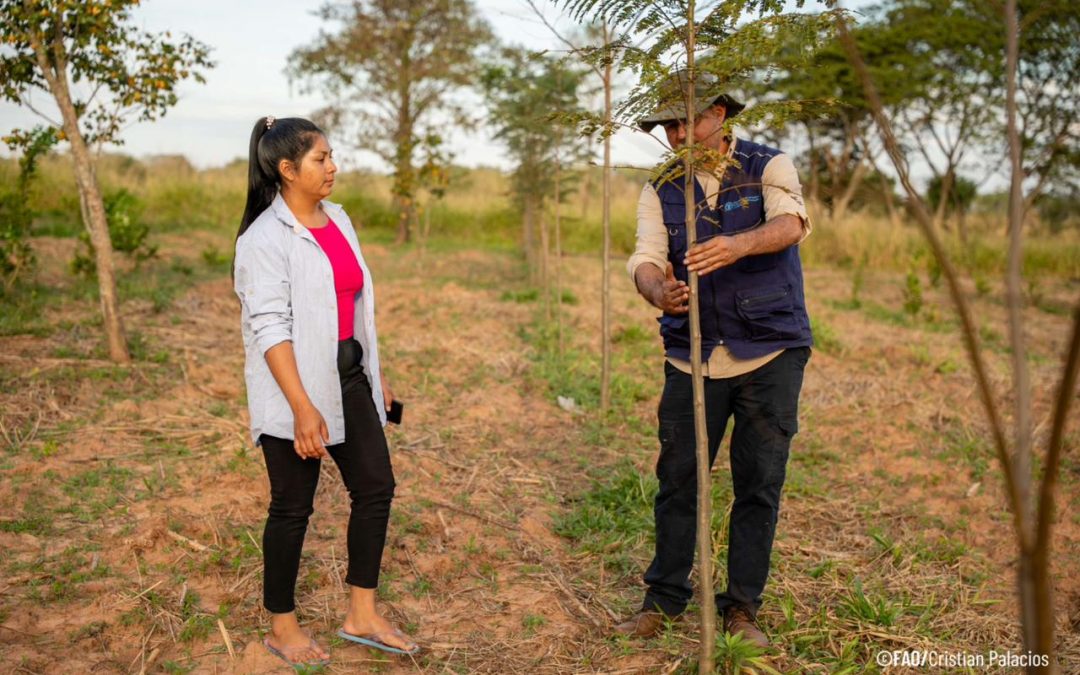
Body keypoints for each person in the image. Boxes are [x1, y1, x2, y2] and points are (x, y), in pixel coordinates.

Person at [615, 72, 813, 648]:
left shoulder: (768, 166)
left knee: (759, 482)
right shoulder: (659, 187)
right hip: (691, 355)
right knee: (677, 479)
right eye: (669, 125)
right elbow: (646, 258)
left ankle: (742, 611)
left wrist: (738, 243)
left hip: (769, 349)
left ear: (721, 115)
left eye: (688, 121)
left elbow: (792, 224)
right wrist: (658, 290)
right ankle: (663, 601)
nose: (678, 134)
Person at [233, 116, 418, 668]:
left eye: (332, 155)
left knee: (376, 487)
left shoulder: (339, 219)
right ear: (287, 170)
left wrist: (374, 370)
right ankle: (282, 628)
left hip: (350, 378)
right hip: (296, 390)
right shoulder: (263, 239)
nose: (333, 167)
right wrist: (302, 408)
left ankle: (362, 613)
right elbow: (271, 328)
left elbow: (353, 304)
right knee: (292, 507)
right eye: (320, 159)